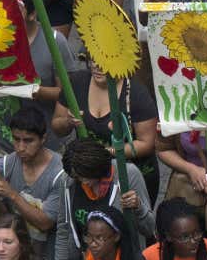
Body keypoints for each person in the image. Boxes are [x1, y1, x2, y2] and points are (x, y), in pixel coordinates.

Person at [50, 58, 161, 199]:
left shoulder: (137, 93)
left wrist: (104, 153)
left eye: (105, 59)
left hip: (130, 177)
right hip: (89, 175)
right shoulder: (77, 82)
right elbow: (57, 127)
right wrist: (68, 122)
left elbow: (148, 144)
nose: (97, 65)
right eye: (93, 59)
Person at [49, 136, 154, 260]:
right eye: (76, 177)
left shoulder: (128, 174)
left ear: (96, 167)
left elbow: (149, 229)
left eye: (84, 176)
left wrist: (138, 207)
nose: (82, 181)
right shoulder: (68, 182)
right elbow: (64, 230)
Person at [0, 105, 60, 254]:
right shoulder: (4, 166)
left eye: (28, 141)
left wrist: (11, 194)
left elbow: (45, 223)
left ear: (43, 138)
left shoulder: (59, 174)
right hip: (16, 248)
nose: (20, 147)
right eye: (16, 139)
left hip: (50, 251)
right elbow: (4, 218)